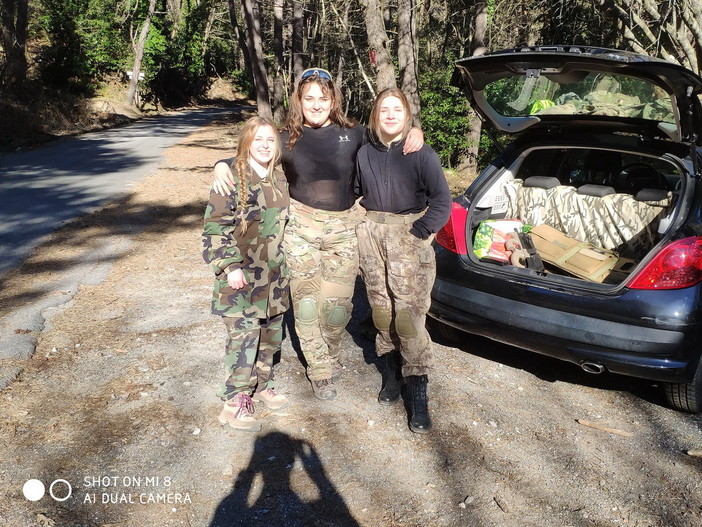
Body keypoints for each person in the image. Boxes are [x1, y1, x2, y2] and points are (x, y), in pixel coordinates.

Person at [213, 68, 424, 401]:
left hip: (344, 229)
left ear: (332, 100)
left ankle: (333, 354)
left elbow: (390, 137)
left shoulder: (354, 133)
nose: (315, 104)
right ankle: (320, 371)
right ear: (299, 100)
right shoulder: (286, 137)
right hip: (300, 229)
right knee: (308, 305)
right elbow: (254, 154)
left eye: (322, 98)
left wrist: (416, 131)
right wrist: (223, 163)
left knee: (337, 310)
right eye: (308, 98)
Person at [355, 88, 451, 433]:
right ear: (375, 115)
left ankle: (418, 387)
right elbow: (352, 190)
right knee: (381, 310)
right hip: (372, 236)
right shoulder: (363, 152)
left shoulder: (421, 153)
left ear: (407, 116)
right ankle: (391, 374)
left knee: (409, 316)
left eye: (397, 110)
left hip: (408, 237)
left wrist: (418, 232)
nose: (391, 115)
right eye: (384, 110)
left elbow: (443, 201)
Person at [202, 116, 290, 432]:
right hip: (242, 279)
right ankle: (235, 400)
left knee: (270, 337)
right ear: (246, 143)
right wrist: (230, 266)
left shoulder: (280, 179)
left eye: (270, 140)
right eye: (258, 139)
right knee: (243, 340)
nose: (265, 145)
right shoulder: (232, 179)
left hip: (275, 280)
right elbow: (214, 229)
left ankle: (263, 385)